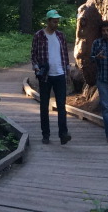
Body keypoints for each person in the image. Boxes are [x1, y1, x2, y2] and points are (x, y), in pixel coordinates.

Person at [31, 9, 72, 145]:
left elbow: (65, 54)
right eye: (54, 21)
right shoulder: (39, 36)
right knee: (44, 106)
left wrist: (68, 70)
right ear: (48, 21)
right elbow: (34, 54)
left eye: (58, 21)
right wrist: (36, 68)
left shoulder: (61, 36)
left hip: (60, 74)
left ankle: (63, 134)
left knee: (61, 106)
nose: (57, 23)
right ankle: (46, 134)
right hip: (45, 76)